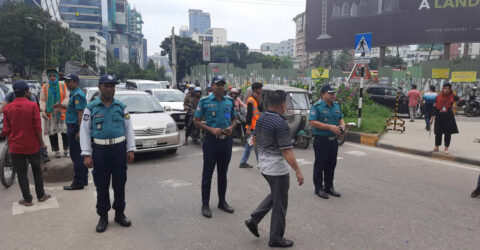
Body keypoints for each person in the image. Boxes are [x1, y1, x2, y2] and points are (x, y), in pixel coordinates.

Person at [244, 90, 304, 248]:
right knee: (280, 203)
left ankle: (254, 219)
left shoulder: (262, 117)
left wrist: (263, 157)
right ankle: (276, 238)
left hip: (264, 166)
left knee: (276, 194)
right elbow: (287, 151)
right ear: (283, 104)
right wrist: (298, 171)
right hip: (277, 170)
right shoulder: (280, 122)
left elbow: (255, 140)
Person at [80, 74, 136, 233]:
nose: (110, 89)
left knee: (120, 183)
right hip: (100, 150)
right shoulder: (91, 108)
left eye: (112, 86)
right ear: (100, 87)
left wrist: (130, 149)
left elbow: (128, 129)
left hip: (118, 149)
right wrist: (86, 154)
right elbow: (84, 132)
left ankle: (119, 214)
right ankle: (103, 216)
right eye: (106, 85)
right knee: (102, 185)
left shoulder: (121, 107)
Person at [194, 76, 237, 218]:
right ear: (212, 86)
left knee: (223, 173)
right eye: (218, 84)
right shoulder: (204, 101)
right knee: (207, 174)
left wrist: (231, 127)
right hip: (211, 142)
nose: (220, 87)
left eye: (222, 85)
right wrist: (210, 129)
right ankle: (205, 204)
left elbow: (235, 118)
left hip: (226, 142)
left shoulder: (229, 101)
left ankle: (222, 201)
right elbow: (196, 121)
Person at [2, 81, 51, 206]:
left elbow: (6, 130)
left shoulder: (7, 108)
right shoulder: (33, 106)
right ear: (25, 92)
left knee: (21, 173)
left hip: (16, 147)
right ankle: (41, 195)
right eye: (28, 90)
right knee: (36, 170)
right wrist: (42, 144)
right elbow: (37, 128)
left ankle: (27, 199)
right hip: (32, 145)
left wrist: (10, 142)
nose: (29, 92)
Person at [309, 84, 345, 199]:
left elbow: (340, 119)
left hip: (333, 140)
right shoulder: (317, 106)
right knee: (320, 164)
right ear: (323, 94)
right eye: (330, 93)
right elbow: (312, 122)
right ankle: (318, 188)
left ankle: (329, 187)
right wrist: (329, 127)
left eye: (334, 93)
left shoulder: (337, 106)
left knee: (331, 164)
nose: (333, 95)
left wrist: (342, 126)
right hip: (321, 140)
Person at [59, 74, 89, 190]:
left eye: (69, 82)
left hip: (75, 128)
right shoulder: (74, 94)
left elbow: (80, 114)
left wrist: (80, 131)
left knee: (75, 155)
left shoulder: (77, 95)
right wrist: (62, 106)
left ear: (76, 82)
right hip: (74, 127)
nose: (66, 84)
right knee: (79, 155)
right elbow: (74, 109)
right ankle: (84, 179)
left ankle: (78, 182)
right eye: (66, 82)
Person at [40, 68, 69, 158]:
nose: (52, 78)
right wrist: (43, 110)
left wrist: (61, 105)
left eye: (54, 76)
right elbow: (42, 100)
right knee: (52, 132)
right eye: (50, 76)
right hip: (50, 112)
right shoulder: (45, 87)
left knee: (65, 131)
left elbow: (67, 97)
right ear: (48, 77)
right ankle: (56, 150)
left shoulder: (63, 85)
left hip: (61, 111)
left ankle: (66, 150)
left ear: (56, 76)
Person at [430, 83, 460, 155]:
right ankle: (436, 147)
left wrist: (456, 106)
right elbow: (434, 108)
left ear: (450, 90)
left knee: (447, 132)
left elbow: (462, 101)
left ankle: (446, 147)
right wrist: (432, 118)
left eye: (448, 88)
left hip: (448, 116)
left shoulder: (453, 96)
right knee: (438, 132)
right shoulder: (438, 97)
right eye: (445, 88)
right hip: (439, 116)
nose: (446, 90)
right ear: (443, 89)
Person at [239, 82, 263, 168]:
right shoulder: (251, 100)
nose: (260, 91)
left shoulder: (257, 99)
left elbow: (260, 110)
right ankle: (260, 164)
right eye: (258, 90)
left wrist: (259, 99)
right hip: (252, 127)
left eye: (261, 89)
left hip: (256, 126)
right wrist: (248, 129)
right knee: (256, 146)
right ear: (254, 90)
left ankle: (243, 162)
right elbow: (249, 116)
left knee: (249, 145)